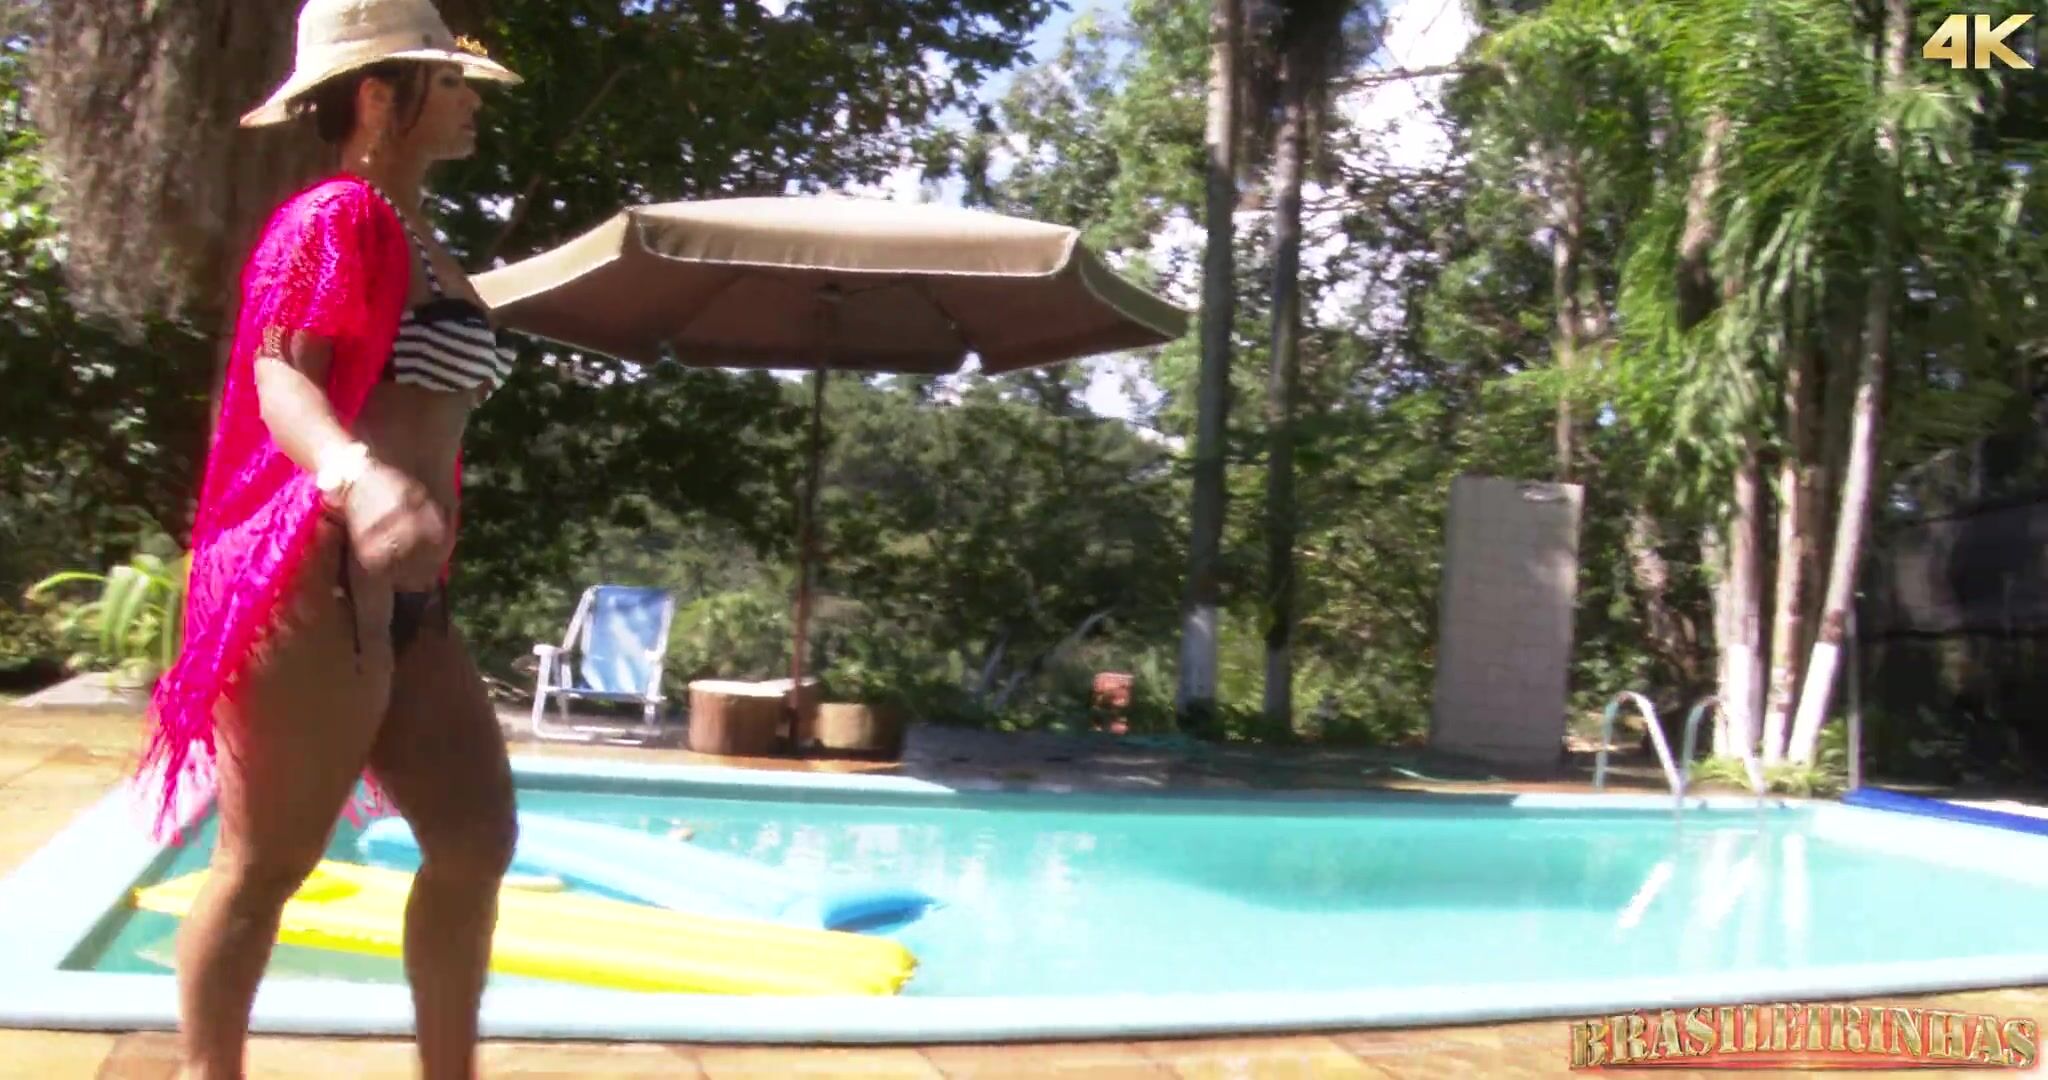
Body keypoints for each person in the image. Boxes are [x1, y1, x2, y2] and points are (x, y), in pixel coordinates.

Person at [139, 1, 525, 1076]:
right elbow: (281, 378)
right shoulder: (334, 216)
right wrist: (359, 482)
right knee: (265, 863)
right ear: (377, 94)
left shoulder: (413, 231)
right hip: (311, 581)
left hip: (408, 596)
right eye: (449, 79)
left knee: (475, 838)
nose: (470, 95)